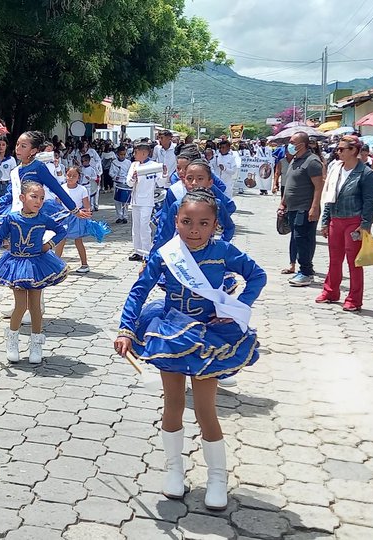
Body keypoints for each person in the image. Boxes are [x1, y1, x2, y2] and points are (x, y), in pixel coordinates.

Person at [113, 187, 266, 511]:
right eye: (186, 222)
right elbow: (139, 291)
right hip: (171, 334)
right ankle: (174, 471)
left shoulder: (223, 251)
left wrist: (236, 308)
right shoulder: (165, 253)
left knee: (205, 409)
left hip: (210, 336)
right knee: (173, 405)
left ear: (215, 225)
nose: (194, 230)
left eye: (203, 223)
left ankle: (217, 478)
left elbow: (257, 276)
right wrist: (126, 328)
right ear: (176, 221)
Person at [0, 181, 69, 365]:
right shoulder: (11, 218)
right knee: (20, 306)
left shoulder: (43, 218)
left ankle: (36, 344)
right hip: (16, 265)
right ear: (22, 198)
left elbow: (61, 230)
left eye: (42, 198)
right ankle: (12, 341)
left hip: (37, 264)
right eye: (34, 197)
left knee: (35, 306)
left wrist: (49, 245)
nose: (39, 201)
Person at [316, 135, 373, 311]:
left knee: (354, 261)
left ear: (354, 151)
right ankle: (330, 291)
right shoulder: (336, 169)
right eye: (338, 149)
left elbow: (369, 201)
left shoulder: (365, 173)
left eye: (342, 149)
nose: (338, 152)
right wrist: (325, 220)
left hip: (354, 220)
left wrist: (365, 225)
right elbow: (330, 197)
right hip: (336, 218)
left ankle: (354, 299)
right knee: (334, 259)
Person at [279, 132, 324, 287]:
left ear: (302, 144)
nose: (290, 145)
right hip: (292, 207)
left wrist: (314, 207)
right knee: (297, 238)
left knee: (302, 239)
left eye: (293, 142)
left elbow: (319, 187)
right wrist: (283, 203)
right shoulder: (296, 160)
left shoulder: (312, 162)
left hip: (305, 208)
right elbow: (289, 183)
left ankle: (306, 272)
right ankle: (301, 269)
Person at [55, 165, 98, 273]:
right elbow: (57, 203)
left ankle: (84, 264)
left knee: (78, 241)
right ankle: (55, 265)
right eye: (69, 175)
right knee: (61, 240)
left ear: (78, 177)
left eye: (74, 176)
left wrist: (87, 216)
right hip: (63, 217)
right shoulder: (61, 188)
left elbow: (87, 205)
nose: (71, 178)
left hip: (77, 217)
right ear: (65, 175)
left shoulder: (82, 189)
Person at [128, 142, 166, 261]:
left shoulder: (154, 166)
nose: (134, 154)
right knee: (136, 227)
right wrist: (133, 177)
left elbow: (161, 183)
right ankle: (137, 251)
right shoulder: (134, 165)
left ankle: (146, 251)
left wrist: (164, 173)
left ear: (144, 153)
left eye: (136, 152)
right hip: (135, 200)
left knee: (144, 226)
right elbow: (128, 182)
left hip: (147, 200)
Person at [110, 146, 132, 224]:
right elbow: (111, 173)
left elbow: (131, 172)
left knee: (125, 201)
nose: (122, 156)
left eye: (124, 154)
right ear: (117, 154)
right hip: (117, 183)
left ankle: (125, 216)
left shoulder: (128, 162)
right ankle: (119, 216)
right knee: (117, 201)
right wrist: (116, 177)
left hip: (125, 183)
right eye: (121, 154)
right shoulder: (114, 162)